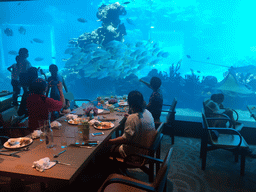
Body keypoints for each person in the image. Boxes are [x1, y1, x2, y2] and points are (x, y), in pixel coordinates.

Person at [107, 90, 157, 161]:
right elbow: (139, 121)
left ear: (130, 103)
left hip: (135, 153)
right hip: (146, 149)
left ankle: (113, 169)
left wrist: (110, 141)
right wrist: (131, 117)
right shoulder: (147, 112)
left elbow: (125, 139)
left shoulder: (133, 118)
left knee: (106, 148)